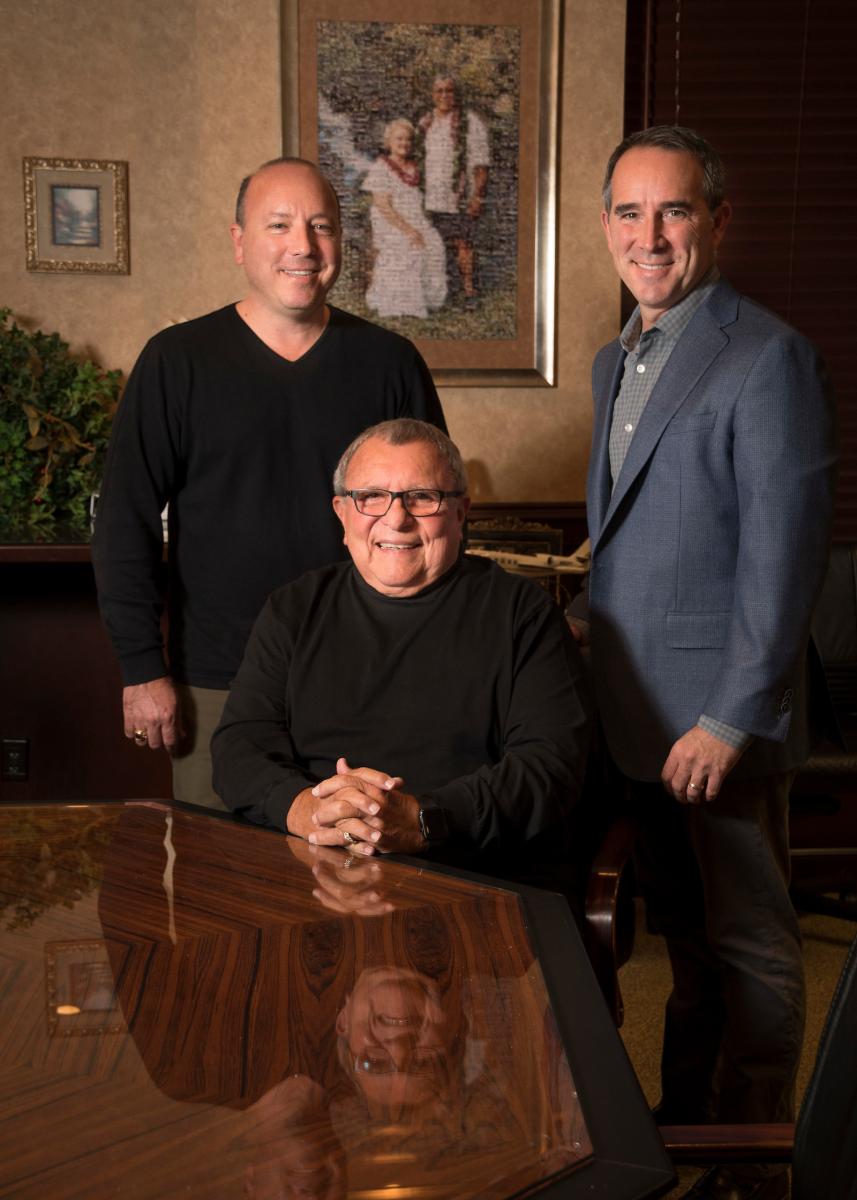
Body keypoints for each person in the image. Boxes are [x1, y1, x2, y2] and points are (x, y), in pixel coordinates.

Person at [575, 126, 836, 1200]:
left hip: (715, 727)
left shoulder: (763, 354)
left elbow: (784, 555)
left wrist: (728, 718)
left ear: (715, 222)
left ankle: (761, 1161)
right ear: (603, 228)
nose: (649, 235)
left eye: (672, 211)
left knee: (754, 952)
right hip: (637, 716)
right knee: (683, 950)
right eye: (628, 213)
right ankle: (684, 1142)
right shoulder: (612, 359)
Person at [92, 157, 445, 810]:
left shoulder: (390, 364)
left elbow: (435, 524)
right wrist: (143, 670)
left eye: (320, 226)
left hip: (374, 677)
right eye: (278, 225)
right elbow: (124, 523)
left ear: (341, 241)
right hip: (220, 681)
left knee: (368, 883)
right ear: (238, 242)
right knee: (222, 889)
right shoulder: (177, 363)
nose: (302, 247)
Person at [211, 418, 591, 885]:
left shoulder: (522, 612)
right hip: (313, 871)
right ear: (341, 512)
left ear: (460, 511)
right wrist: (305, 809)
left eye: (421, 497)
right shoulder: (294, 607)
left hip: (472, 876)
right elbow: (239, 745)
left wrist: (421, 819)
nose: (396, 519)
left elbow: (550, 766)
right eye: (370, 496)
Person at [361, 118, 447, 319]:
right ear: (389, 142)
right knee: (409, 247)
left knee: (434, 244)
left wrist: (420, 225)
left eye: (408, 139)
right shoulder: (381, 168)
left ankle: (429, 299)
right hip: (392, 222)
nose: (404, 143)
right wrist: (409, 231)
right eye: (399, 139)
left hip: (415, 219)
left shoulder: (415, 167)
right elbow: (383, 206)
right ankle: (401, 305)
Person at [418, 77, 489, 307]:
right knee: (434, 245)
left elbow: (481, 165)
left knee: (463, 244)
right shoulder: (426, 123)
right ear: (432, 94)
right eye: (439, 91)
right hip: (430, 199)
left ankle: (469, 293)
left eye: (449, 91)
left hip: (458, 197)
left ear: (456, 94)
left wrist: (477, 196)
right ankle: (441, 293)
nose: (444, 95)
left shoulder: (470, 122)